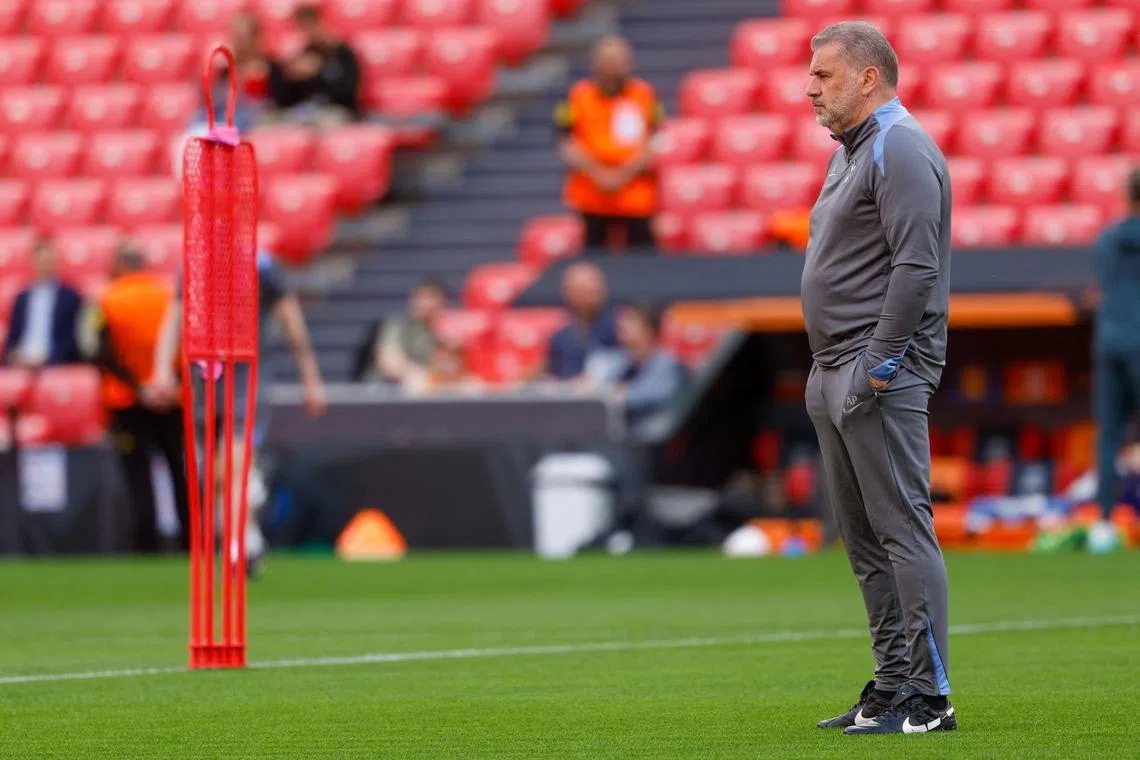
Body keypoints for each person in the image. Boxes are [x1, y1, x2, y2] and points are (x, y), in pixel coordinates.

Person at [799, 22, 955, 734]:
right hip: (834, 366)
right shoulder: (851, 153)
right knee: (863, 540)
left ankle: (930, 699)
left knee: (902, 532)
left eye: (824, 75)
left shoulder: (902, 146)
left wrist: (879, 365)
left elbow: (915, 268)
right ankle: (892, 687)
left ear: (868, 78)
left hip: (876, 370)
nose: (810, 88)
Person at [148, 249, 327, 576]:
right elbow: (175, 315)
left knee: (234, 461)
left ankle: (236, 547)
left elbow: (291, 321)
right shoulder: (193, 263)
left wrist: (310, 377)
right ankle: (249, 537)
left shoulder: (261, 265)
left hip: (247, 377)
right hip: (205, 380)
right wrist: (161, 370)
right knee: (215, 473)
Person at [85, 244, 190, 553]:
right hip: (172, 397)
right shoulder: (169, 295)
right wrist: (168, 383)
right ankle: (190, 540)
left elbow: (99, 353)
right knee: (178, 470)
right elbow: (189, 344)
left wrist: (139, 388)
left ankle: (147, 543)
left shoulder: (106, 299)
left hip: (126, 402)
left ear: (119, 265)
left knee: (137, 474)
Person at [555, 36, 663, 252]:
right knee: (595, 260)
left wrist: (622, 174)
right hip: (592, 198)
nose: (614, 69)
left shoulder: (645, 95)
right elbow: (566, 141)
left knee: (644, 264)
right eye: (608, 62)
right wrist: (599, 174)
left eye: (619, 62)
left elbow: (656, 141)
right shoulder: (577, 97)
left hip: (636, 199)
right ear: (596, 64)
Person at [1091, 167, 1140, 553]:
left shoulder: (1107, 238)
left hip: (1110, 338)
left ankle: (1105, 524)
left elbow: (1103, 281)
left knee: (1108, 433)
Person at [590, 302, 686, 434]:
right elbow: (596, 386)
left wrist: (618, 393)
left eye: (631, 319)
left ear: (650, 329)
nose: (622, 324)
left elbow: (651, 396)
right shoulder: (617, 360)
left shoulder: (667, 364)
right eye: (622, 319)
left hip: (653, 439)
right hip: (619, 436)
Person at [269, 4, 361, 125]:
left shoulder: (344, 54)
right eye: (303, 27)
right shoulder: (303, 56)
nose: (309, 32)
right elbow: (284, 100)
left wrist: (318, 73)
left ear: (322, 22)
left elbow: (348, 94)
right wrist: (284, 75)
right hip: (304, 112)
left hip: (336, 111)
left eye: (312, 25)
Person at [2, 240, 83, 369]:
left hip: (54, 362)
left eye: (49, 262)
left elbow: (72, 340)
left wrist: (48, 358)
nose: (45, 266)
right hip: (22, 360)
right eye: (41, 262)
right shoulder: (21, 298)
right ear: (32, 263)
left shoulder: (71, 297)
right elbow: (13, 338)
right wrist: (14, 355)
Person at [366, 279, 447, 392]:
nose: (426, 303)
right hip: (387, 389)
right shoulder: (397, 324)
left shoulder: (443, 330)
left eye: (432, 297)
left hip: (427, 390)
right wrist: (422, 375)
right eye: (422, 297)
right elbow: (389, 363)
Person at [544, 262, 619, 381]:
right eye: (580, 290)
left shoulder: (619, 327)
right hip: (567, 396)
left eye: (592, 289)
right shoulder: (560, 337)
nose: (589, 296)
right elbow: (553, 373)